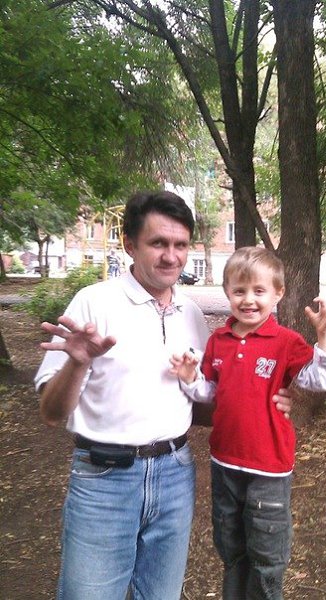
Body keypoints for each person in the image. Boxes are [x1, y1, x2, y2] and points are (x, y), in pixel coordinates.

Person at [34, 191, 294, 600]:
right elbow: (51, 412)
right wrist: (78, 363)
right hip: (104, 480)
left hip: (175, 474)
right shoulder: (93, 303)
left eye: (180, 244)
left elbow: (203, 401)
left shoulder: (191, 314)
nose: (171, 256)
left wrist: (265, 400)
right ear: (129, 244)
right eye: (158, 243)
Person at [170, 246, 326, 600]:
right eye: (239, 290)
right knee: (231, 548)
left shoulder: (286, 342)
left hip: (268, 467)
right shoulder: (219, 341)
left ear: (278, 293)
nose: (248, 300)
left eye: (259, 291)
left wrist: (323, 338)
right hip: (224, 463)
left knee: (266, 554)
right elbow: (210, 391)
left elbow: (319, 381)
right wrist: (189, 378)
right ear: (227, 292)